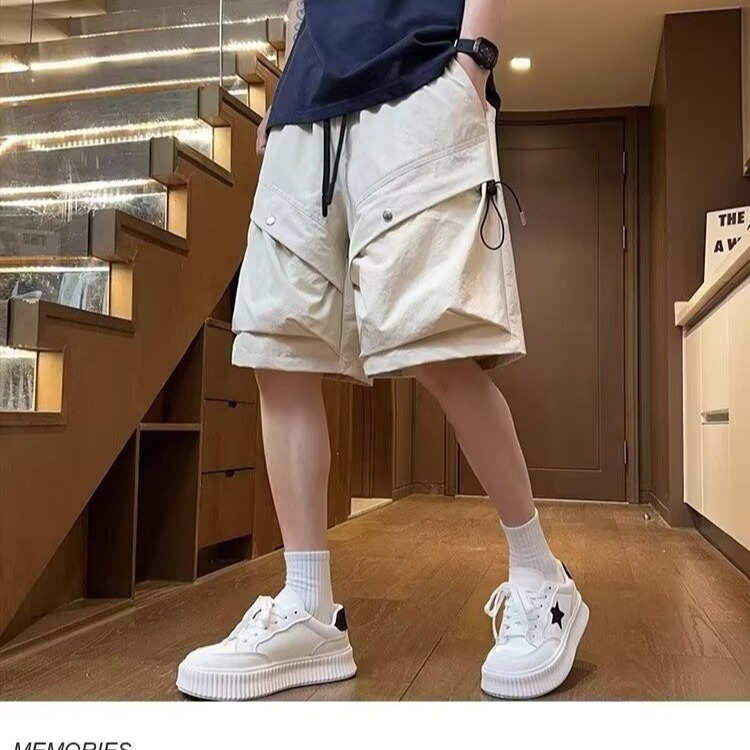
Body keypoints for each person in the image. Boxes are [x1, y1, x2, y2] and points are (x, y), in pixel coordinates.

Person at [176, 0, 589, 701]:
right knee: (280, 351)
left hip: (418, 72)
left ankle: (540, 576)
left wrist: (474, 61)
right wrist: (282, 95)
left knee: (435, 345)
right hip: (306, 110)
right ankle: (308, 607)